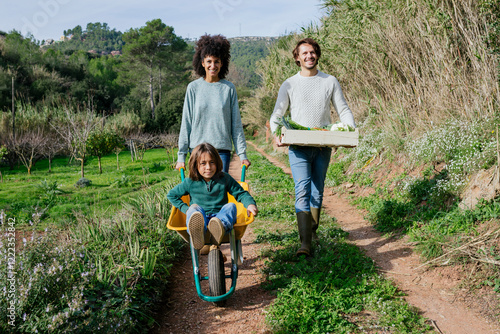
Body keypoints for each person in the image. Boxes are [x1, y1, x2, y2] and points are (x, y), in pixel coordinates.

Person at [269, 37, 356, 257]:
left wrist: (350, 131)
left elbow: (343, 109)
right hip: (298, 145)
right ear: (297, 58)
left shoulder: (330, 81)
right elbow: (277, 114)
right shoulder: (289, 84)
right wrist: (276, 132)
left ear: (317, 55)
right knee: (302, 189)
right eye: (304, 53)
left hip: (323, 143)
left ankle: (311, 232)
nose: (309, 56)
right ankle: (304, 244)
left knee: (317, 190)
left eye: (312, 52)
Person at [176, 34, 250, 174]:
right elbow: (186, 123)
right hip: (197, 151)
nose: (213, 65)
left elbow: (236, 125)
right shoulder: (193, 88)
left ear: (222, 63)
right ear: (202, 62)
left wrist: (242, 154)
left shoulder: (228, 88)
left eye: (216, 61)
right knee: (198, 195)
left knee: (220, 194)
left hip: (221, 151)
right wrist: (181, 155)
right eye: (209, 61)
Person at [167, 142, 258, 250]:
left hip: (220, 216)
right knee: (194, 208)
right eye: (203, 163)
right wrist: (186, 209)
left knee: (231, 206)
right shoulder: (190, 182)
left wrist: (250, 204)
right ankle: (198, 231)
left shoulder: (224, 178)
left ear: (218, 162)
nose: (208, 167)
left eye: (212, 162)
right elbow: (172, 195)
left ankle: (219, 228)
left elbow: (241, 193)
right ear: (195, 165)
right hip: (201, 218)